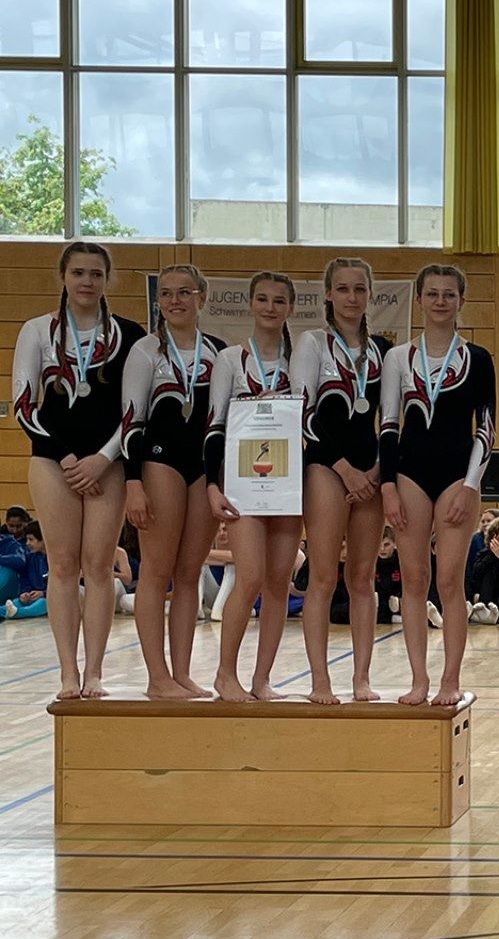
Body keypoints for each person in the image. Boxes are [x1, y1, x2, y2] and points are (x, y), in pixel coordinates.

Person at [11, 242, 141, 698]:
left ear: (107, 280)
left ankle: (95, 671)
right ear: (63, 277)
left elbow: (134, 410)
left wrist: (102, 458)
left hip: (108, 462)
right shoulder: (37, 331)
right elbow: (23, 405)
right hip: (54, 461)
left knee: (99, 565)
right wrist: (66, 456)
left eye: (96, 274)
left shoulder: (129, 335)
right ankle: (68, 670)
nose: (87, 282)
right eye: (78, 273)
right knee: (63, 565)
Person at [380, 264, 496, 705]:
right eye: (432, 293)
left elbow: (486, 427)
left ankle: (450, 678)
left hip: (457, 476)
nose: (441, 301)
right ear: (419, 300)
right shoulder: (398, 358)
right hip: (409, 474)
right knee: (414, 579)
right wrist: (388, 486)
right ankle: (418, 680)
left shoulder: (478, 359)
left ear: (462, 300)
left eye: (449, 294)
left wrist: (470, 485)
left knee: (449, 580)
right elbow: (388, 425)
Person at [291, 256, 391, 704]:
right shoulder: (312, 343)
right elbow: (303, 412)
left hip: (370, 471)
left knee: (363, 578)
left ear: (369, 295)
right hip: (326, 467)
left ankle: (361, 677)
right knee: (323, 576)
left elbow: (392, 418)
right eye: (344, 289)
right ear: (328, 294)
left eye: (360, 289)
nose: (352, 297)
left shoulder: (383, 350)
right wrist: (345, 469)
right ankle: (320, 679)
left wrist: (376, 471)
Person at [122, 265, 225, 699]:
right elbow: (131, 420)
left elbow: (224, 420)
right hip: (159, 461)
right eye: (166, 293)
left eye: (185, 292)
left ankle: (181, 673)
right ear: (158, 301)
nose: (175, 300)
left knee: (188, 573)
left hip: (203, 468)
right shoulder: (146, 351)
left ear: (202, 296)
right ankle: (156, 676)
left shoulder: (219, 352)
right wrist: (133, 483)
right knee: (156, 571)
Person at [205, 270, 303, 700]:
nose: (270, 307)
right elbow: (214, 425)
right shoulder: (230, 360)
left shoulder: (300, 359)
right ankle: (225, 674)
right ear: (250, 303)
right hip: (244, 483)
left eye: (279, 300)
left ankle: (262, 679)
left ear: (290, 307)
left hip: (289, 482)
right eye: (262, 299)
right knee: (249, 577)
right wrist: (213, 486)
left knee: (279, 581)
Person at [3, 521, 51, 619]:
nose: (27, 543)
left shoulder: (56, 560)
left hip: (47, 598)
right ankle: (7, 611)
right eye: (27, 539)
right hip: (31, 596)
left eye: (31, 539)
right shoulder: (30, 558)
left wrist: (43, 593)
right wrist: (25, 592)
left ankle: (17, 613)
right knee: (16, 602)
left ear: (43, 539)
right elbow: (25, 578)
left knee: (43, 604)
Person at [375, 527, 403, 623]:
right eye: (378, 545)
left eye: (386, 545)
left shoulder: (401, 561)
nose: (382, 549)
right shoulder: (372, 561)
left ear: (394, 544)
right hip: (379, 603)